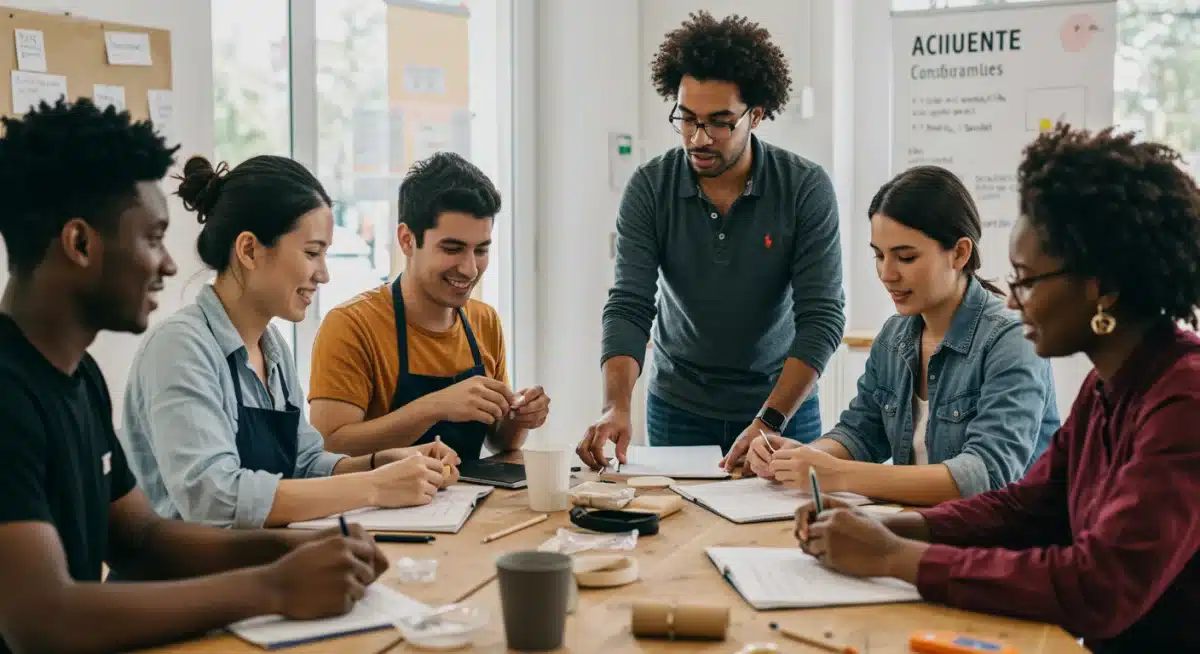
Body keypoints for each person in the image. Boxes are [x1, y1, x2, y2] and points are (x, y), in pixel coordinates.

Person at [0, 98, 390, 654]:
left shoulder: (77, 376)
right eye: (153, 238)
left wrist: (304, 549)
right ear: (80, 243)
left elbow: (143, 538)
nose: (169, 264)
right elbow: (43, 619)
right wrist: (272, 585)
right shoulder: (7, 395)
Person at [794, 125, 1200, 653]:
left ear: (1101, 288)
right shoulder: (1110, 386)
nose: (1012, 301)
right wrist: (892, 528)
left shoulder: (1184, 401)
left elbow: (1096, 586)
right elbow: (1024, 508)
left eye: (1027, 280)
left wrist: (895, 557)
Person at [120, 154, 459, 530]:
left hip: (253, 566)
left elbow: (305, 463)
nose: (324, 274)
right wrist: (375, 486)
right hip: (182, 583)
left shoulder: (271, 345)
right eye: (312, 253)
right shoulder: (180, 349)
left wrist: (382, 463)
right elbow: (213, 497)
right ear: (249, 250)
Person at [576, 11, 845, 470]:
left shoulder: (804, 187)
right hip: (678, 406)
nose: (699, 138)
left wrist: (770, 419)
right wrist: (615, 404)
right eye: (687, 119)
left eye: (719, 122)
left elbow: (822, 318)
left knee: (779, 534)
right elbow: (629, 305)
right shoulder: (650, 187)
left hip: (783, 408)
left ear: (755, 115)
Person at [737, 166, 1059, 506]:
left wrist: (839, 475)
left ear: (960, 253)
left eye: (906, 257)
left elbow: (986, 475)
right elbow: (861, 432)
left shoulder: (1011, 341)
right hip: (925, 530)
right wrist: (798, 458)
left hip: (1004, 547)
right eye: (879, 255)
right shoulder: (895, 336)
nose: (887, 274)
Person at [308, 152, 549, 461]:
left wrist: (518, 418)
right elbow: (329, 447)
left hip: (467, 503)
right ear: (407, 240)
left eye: (481, 250)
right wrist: (437, 406)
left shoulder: (484, 321)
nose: (470, 268)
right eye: (452, 248)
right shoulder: (351, 326)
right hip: (382, 507)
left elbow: (500, 442)